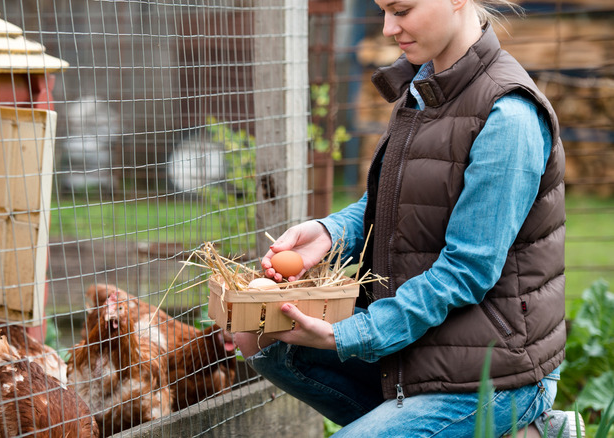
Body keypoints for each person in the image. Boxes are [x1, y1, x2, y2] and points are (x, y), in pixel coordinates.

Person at [234, 0, 583, 436]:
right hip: (421, 345)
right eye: (382, 10)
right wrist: (329, 233)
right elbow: (398, 202)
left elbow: (467, 270)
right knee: (266, 340)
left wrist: (352, 334)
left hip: (494, 371)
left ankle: (521, 421)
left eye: (401, 9)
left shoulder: (507, 115)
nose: (386, 28)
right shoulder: (425, 87)